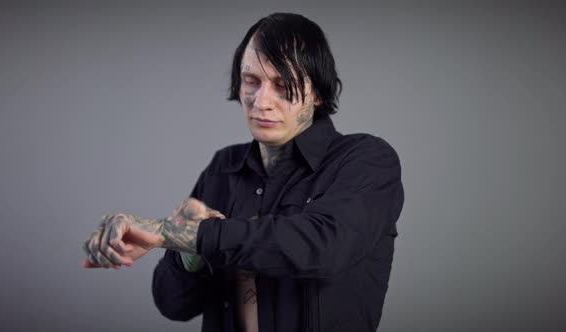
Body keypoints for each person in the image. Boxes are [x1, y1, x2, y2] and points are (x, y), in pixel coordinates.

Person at [82, 12, 404, 332]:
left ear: (318, 93)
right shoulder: (224, 168)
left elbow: (320, 245)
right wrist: (187, 253)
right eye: (252, 81)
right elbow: (173, 305)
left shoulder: (365, 159)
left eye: (283, 85)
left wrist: (174, 234)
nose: (262, 101)